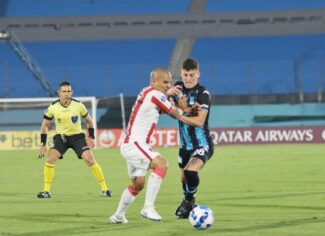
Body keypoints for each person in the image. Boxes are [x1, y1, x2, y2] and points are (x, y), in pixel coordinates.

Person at [109, 67, 198, 224]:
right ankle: (148, 207)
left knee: (137, 185)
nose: (167, 85)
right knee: (162, 165)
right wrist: (187, 111)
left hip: (131, 143)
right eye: (164, 82)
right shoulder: (156, 94)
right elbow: (174, 114)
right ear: (154, 81)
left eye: (169, 82)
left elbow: (165, 108)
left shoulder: (149, 92)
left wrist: (168, 96)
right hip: (136, 143)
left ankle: (118, 215)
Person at [36, 81, 112, 198]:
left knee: (90, 160)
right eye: (64, 91)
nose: (66, 93)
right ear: (59, 93)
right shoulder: (52, 107)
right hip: (61, 138)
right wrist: (43, 144)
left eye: (68, 91)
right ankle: (46, 191)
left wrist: (91, 137)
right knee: (50, 159)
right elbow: (44, 126)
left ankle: (105, 189)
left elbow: (89, 122)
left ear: (72, 92)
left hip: (77, 137)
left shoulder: (79, 105)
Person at [172, 58, 214, 219]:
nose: (188, 79)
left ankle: (188, 201)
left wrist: (180, 112)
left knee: (190, 171)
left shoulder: (203, 94)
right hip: (184, 145)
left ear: (198, 74)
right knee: (183, 178)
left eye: (191, 75)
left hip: (202, 144)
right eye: (185, 75)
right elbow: (168, 105)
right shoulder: (178, 88)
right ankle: (189, 202)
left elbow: (199, 121)